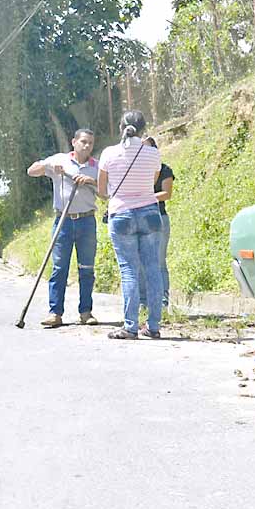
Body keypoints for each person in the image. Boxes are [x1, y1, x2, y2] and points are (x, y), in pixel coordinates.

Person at [98, 110, 164, 339]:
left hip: (122, 214)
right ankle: (154, 327)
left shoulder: (109, 153)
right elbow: (153, 182)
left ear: (120, 127)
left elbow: (101, 190)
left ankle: (130, 326)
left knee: (129, 271)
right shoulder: (153, 154)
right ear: (144, 128)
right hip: (150, 212)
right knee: (153, 268)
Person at [27, 128, 100, 328]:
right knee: (59, 268)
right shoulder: (60, 159)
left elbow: (106, 192)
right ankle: (55, 313)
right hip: (63, 221)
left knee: (87, 269)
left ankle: (86, 312)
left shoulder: (97, 167)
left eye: (90, 143)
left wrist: (91, 181)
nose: (87, 146)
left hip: (86, 221)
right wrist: (48, 166)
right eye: (83, 141)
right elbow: (31, 171)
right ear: (73, 142)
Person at [138, 137, 174, 311]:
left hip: (158, 217)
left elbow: (166, 194)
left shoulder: (165, 169)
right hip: (137, 217)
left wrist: (145, 197)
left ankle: (162, 301)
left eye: (148, 149)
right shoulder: (134, 171)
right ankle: (143, 302)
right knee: (139, 262)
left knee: (159, 261)